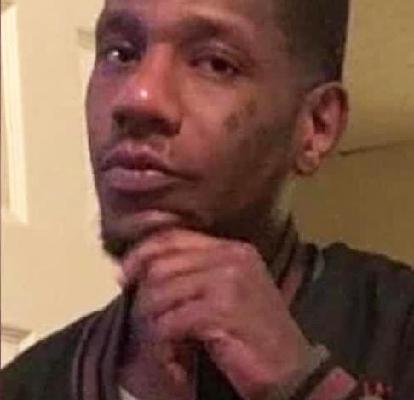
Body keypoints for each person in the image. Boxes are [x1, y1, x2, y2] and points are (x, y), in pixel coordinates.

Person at [2, 0, 413, 399]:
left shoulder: (397, 328)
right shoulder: (26, 386)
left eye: (216, 64)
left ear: (316, 125)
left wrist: (302, 383)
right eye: (120, 54)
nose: (138, 97)